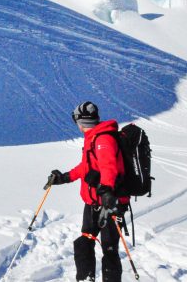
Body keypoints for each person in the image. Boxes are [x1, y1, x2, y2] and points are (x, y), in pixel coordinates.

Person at [44, 101, 129, 282]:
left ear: (80, 121)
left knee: (110, 250)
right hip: (94, 203)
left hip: (111, 204)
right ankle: (85, 279)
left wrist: (107, 193)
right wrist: (64, 177)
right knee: (84, 242)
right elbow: (87, 166)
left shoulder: (103, 139)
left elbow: (109, 167)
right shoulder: (93, 136)